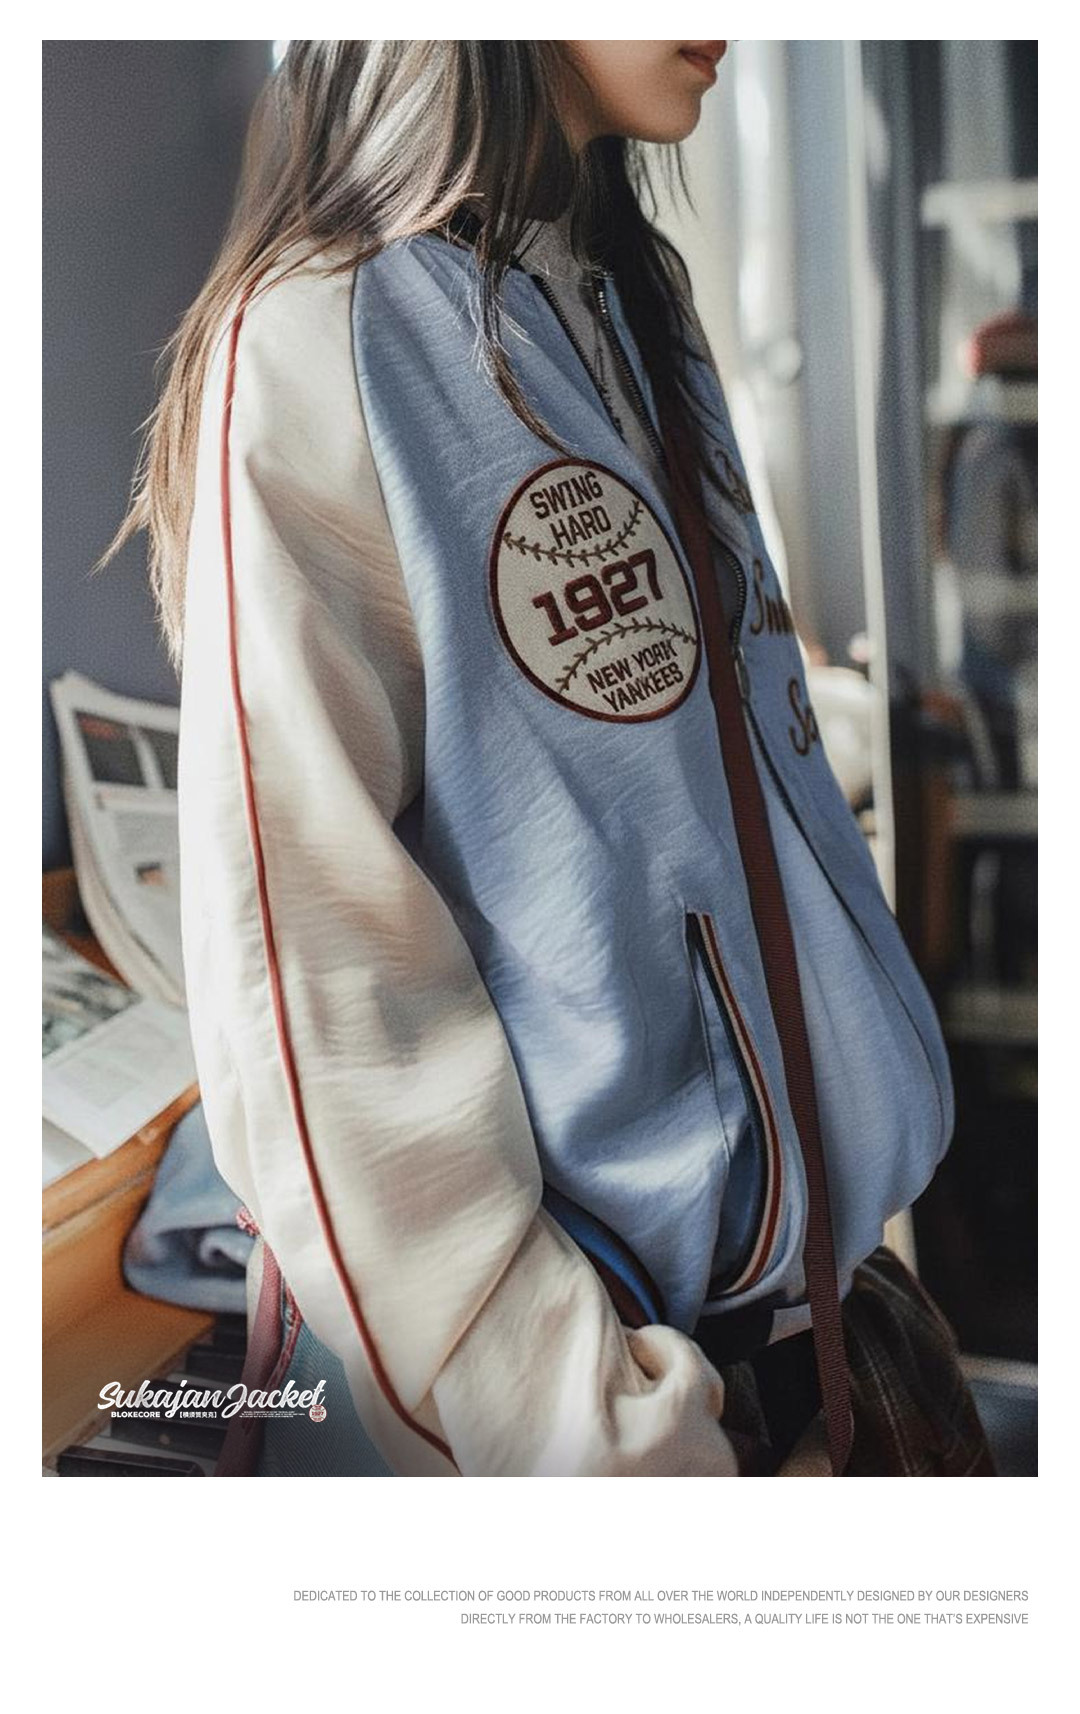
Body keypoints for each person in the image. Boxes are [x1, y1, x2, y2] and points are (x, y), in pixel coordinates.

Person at [103, 40, 994, 1477]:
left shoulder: (636, 296)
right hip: (647, 1413)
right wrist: (619, 1459)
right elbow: (323, 1002)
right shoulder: (315, 343)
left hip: (838, 1338)